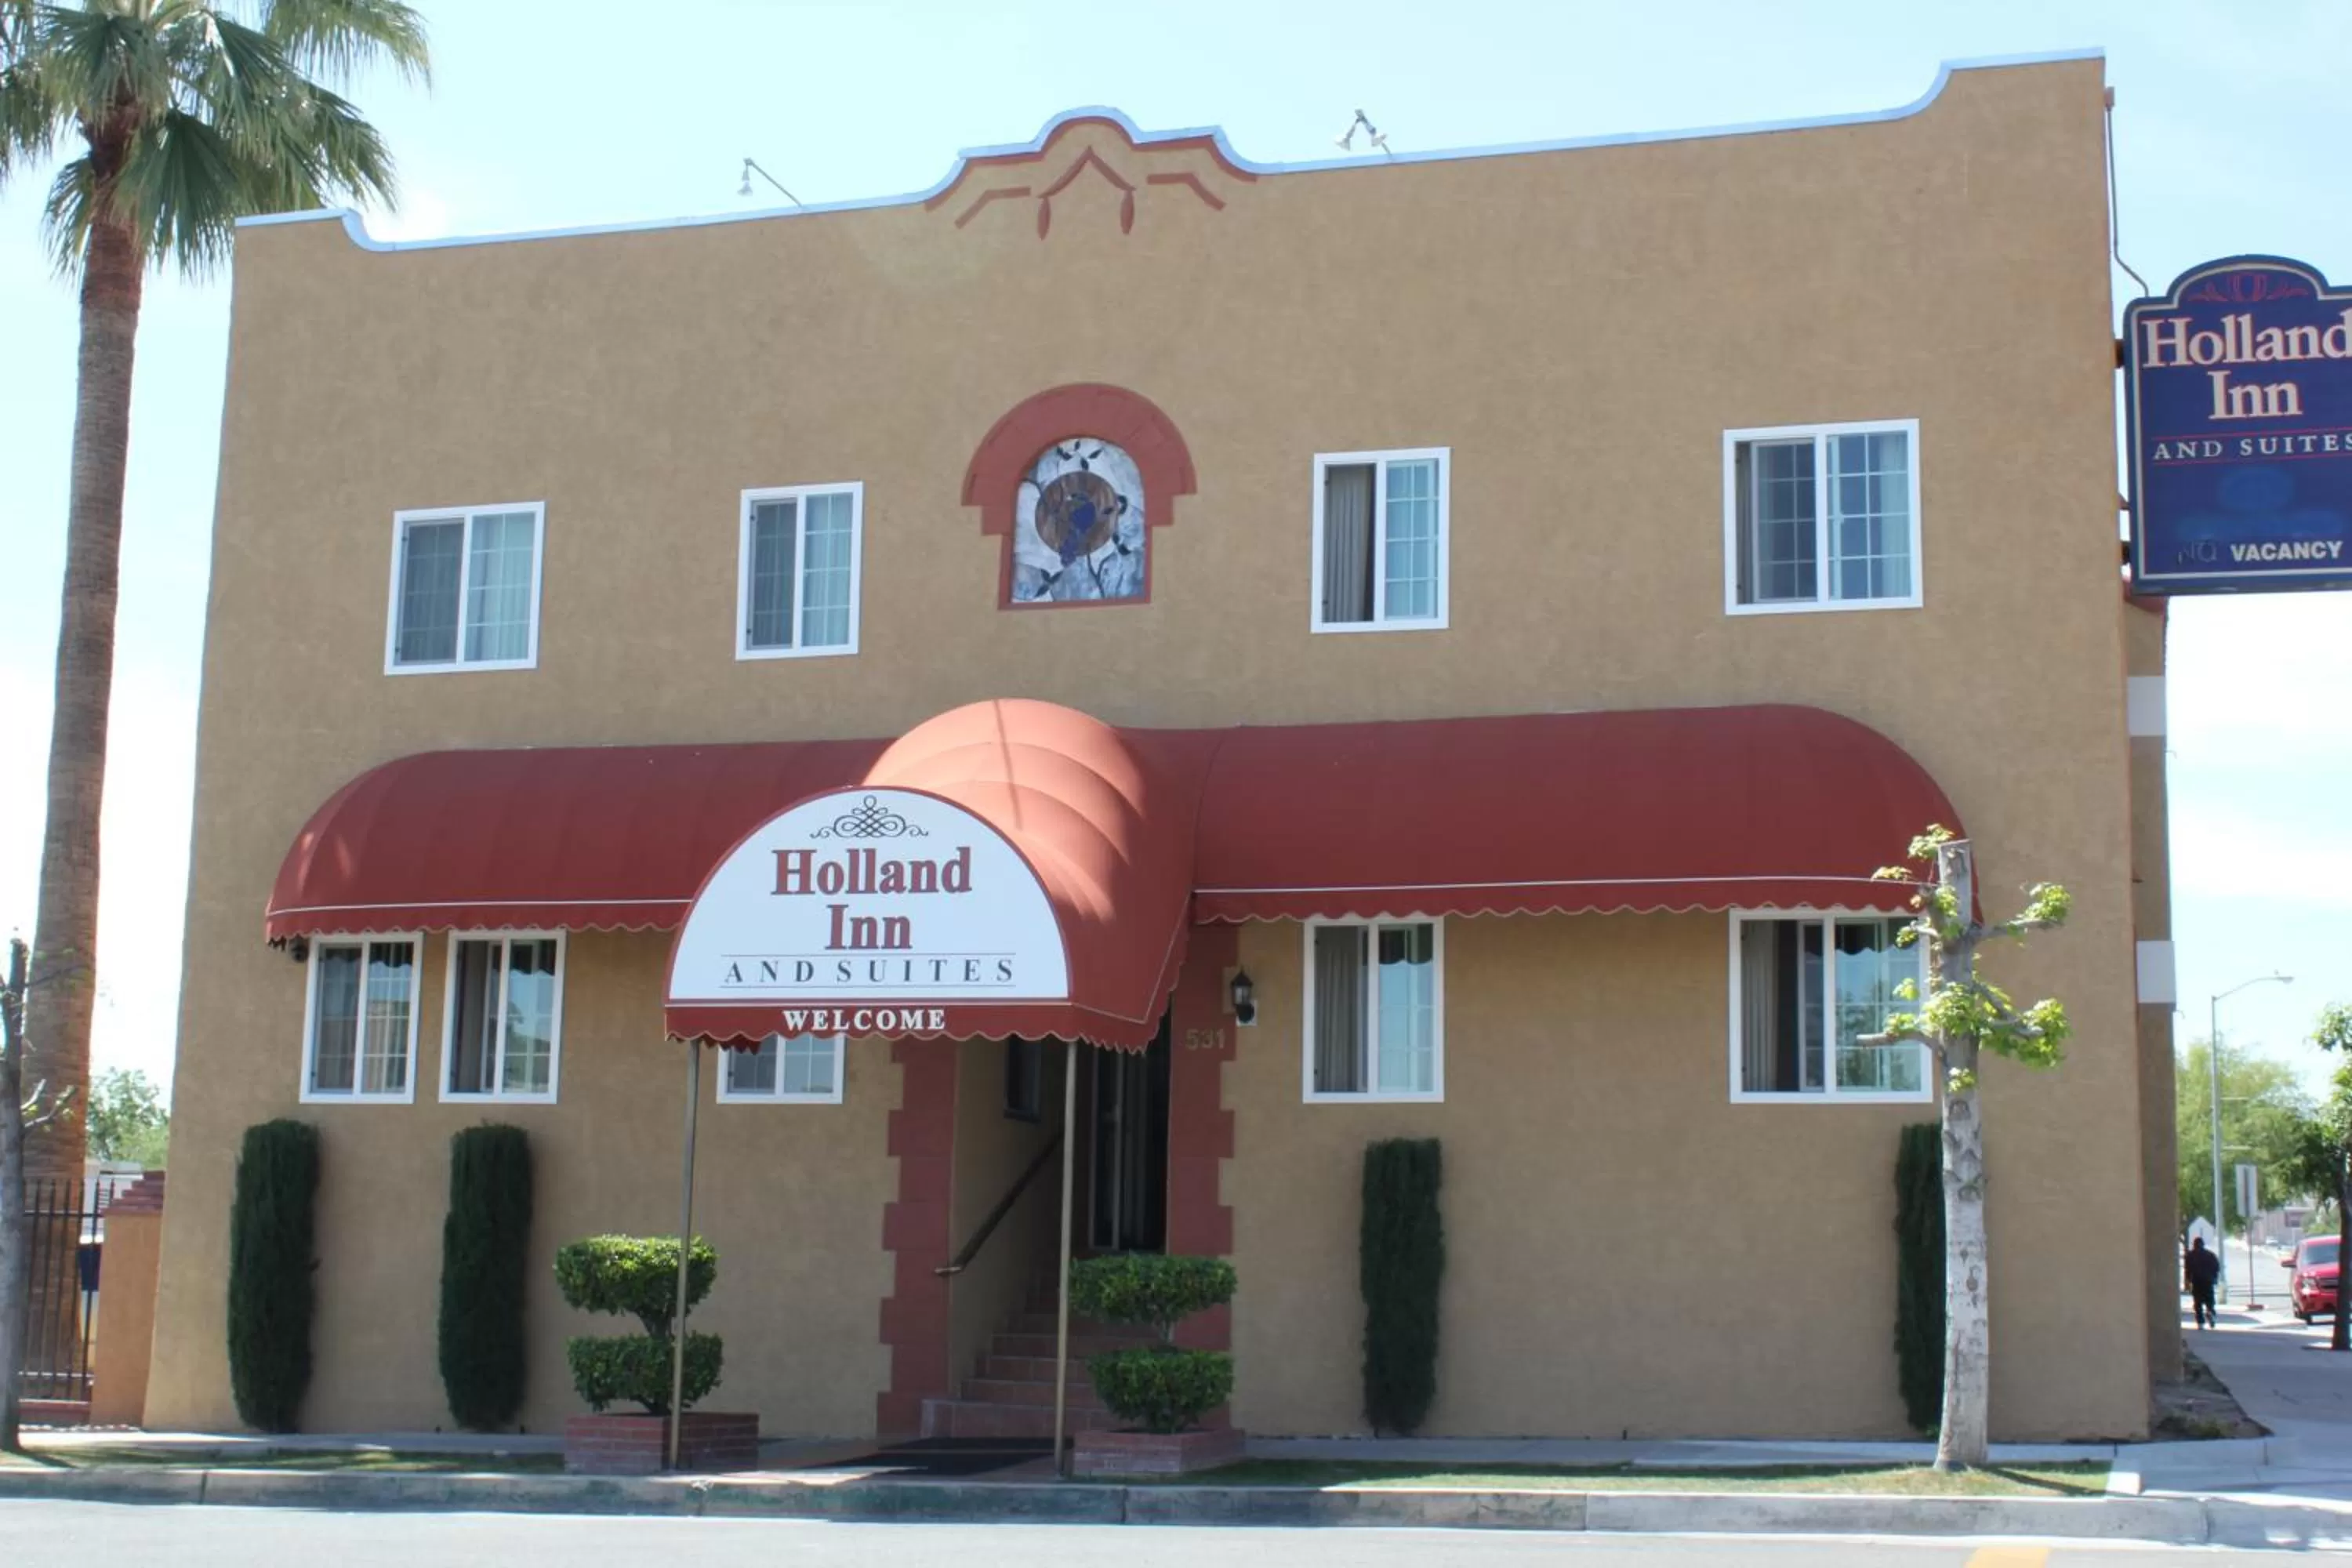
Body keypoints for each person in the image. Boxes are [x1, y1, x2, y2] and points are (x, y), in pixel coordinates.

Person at [2186, 1235, 2223, 1329]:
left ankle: (2201, 1322)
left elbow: (2188, 1270)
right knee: (2210, 1300)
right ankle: (2210, 1312)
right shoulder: (2210, 1255)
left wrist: (2188, 1281)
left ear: (2194, 1245)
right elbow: (2217, 1268)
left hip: (2197, 1281)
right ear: (2203, 1245)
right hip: (2208, 1281)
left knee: (2198, 1303)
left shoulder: (2190, 1255)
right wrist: (2215, 1278)